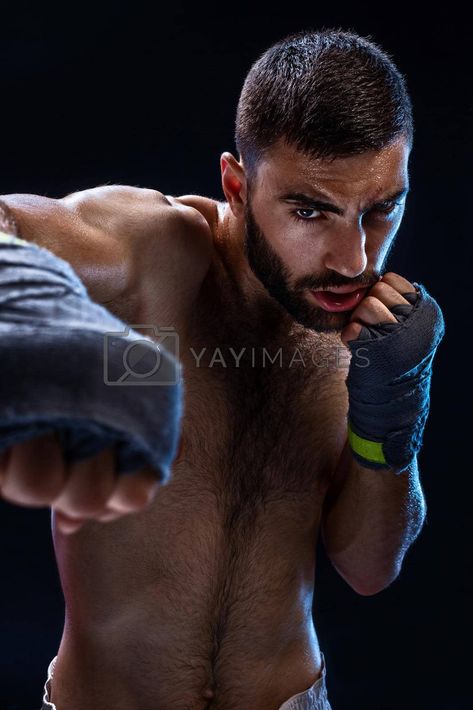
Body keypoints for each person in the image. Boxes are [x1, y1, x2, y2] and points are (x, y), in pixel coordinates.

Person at [0, 28, 445, 710]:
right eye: (308, 211)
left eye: (380, 209)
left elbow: (368, 568)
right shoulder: (152, 256)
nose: (352, 257)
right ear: (237, 185)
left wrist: (393, 412)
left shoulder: (365, 336)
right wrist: (34, 306)